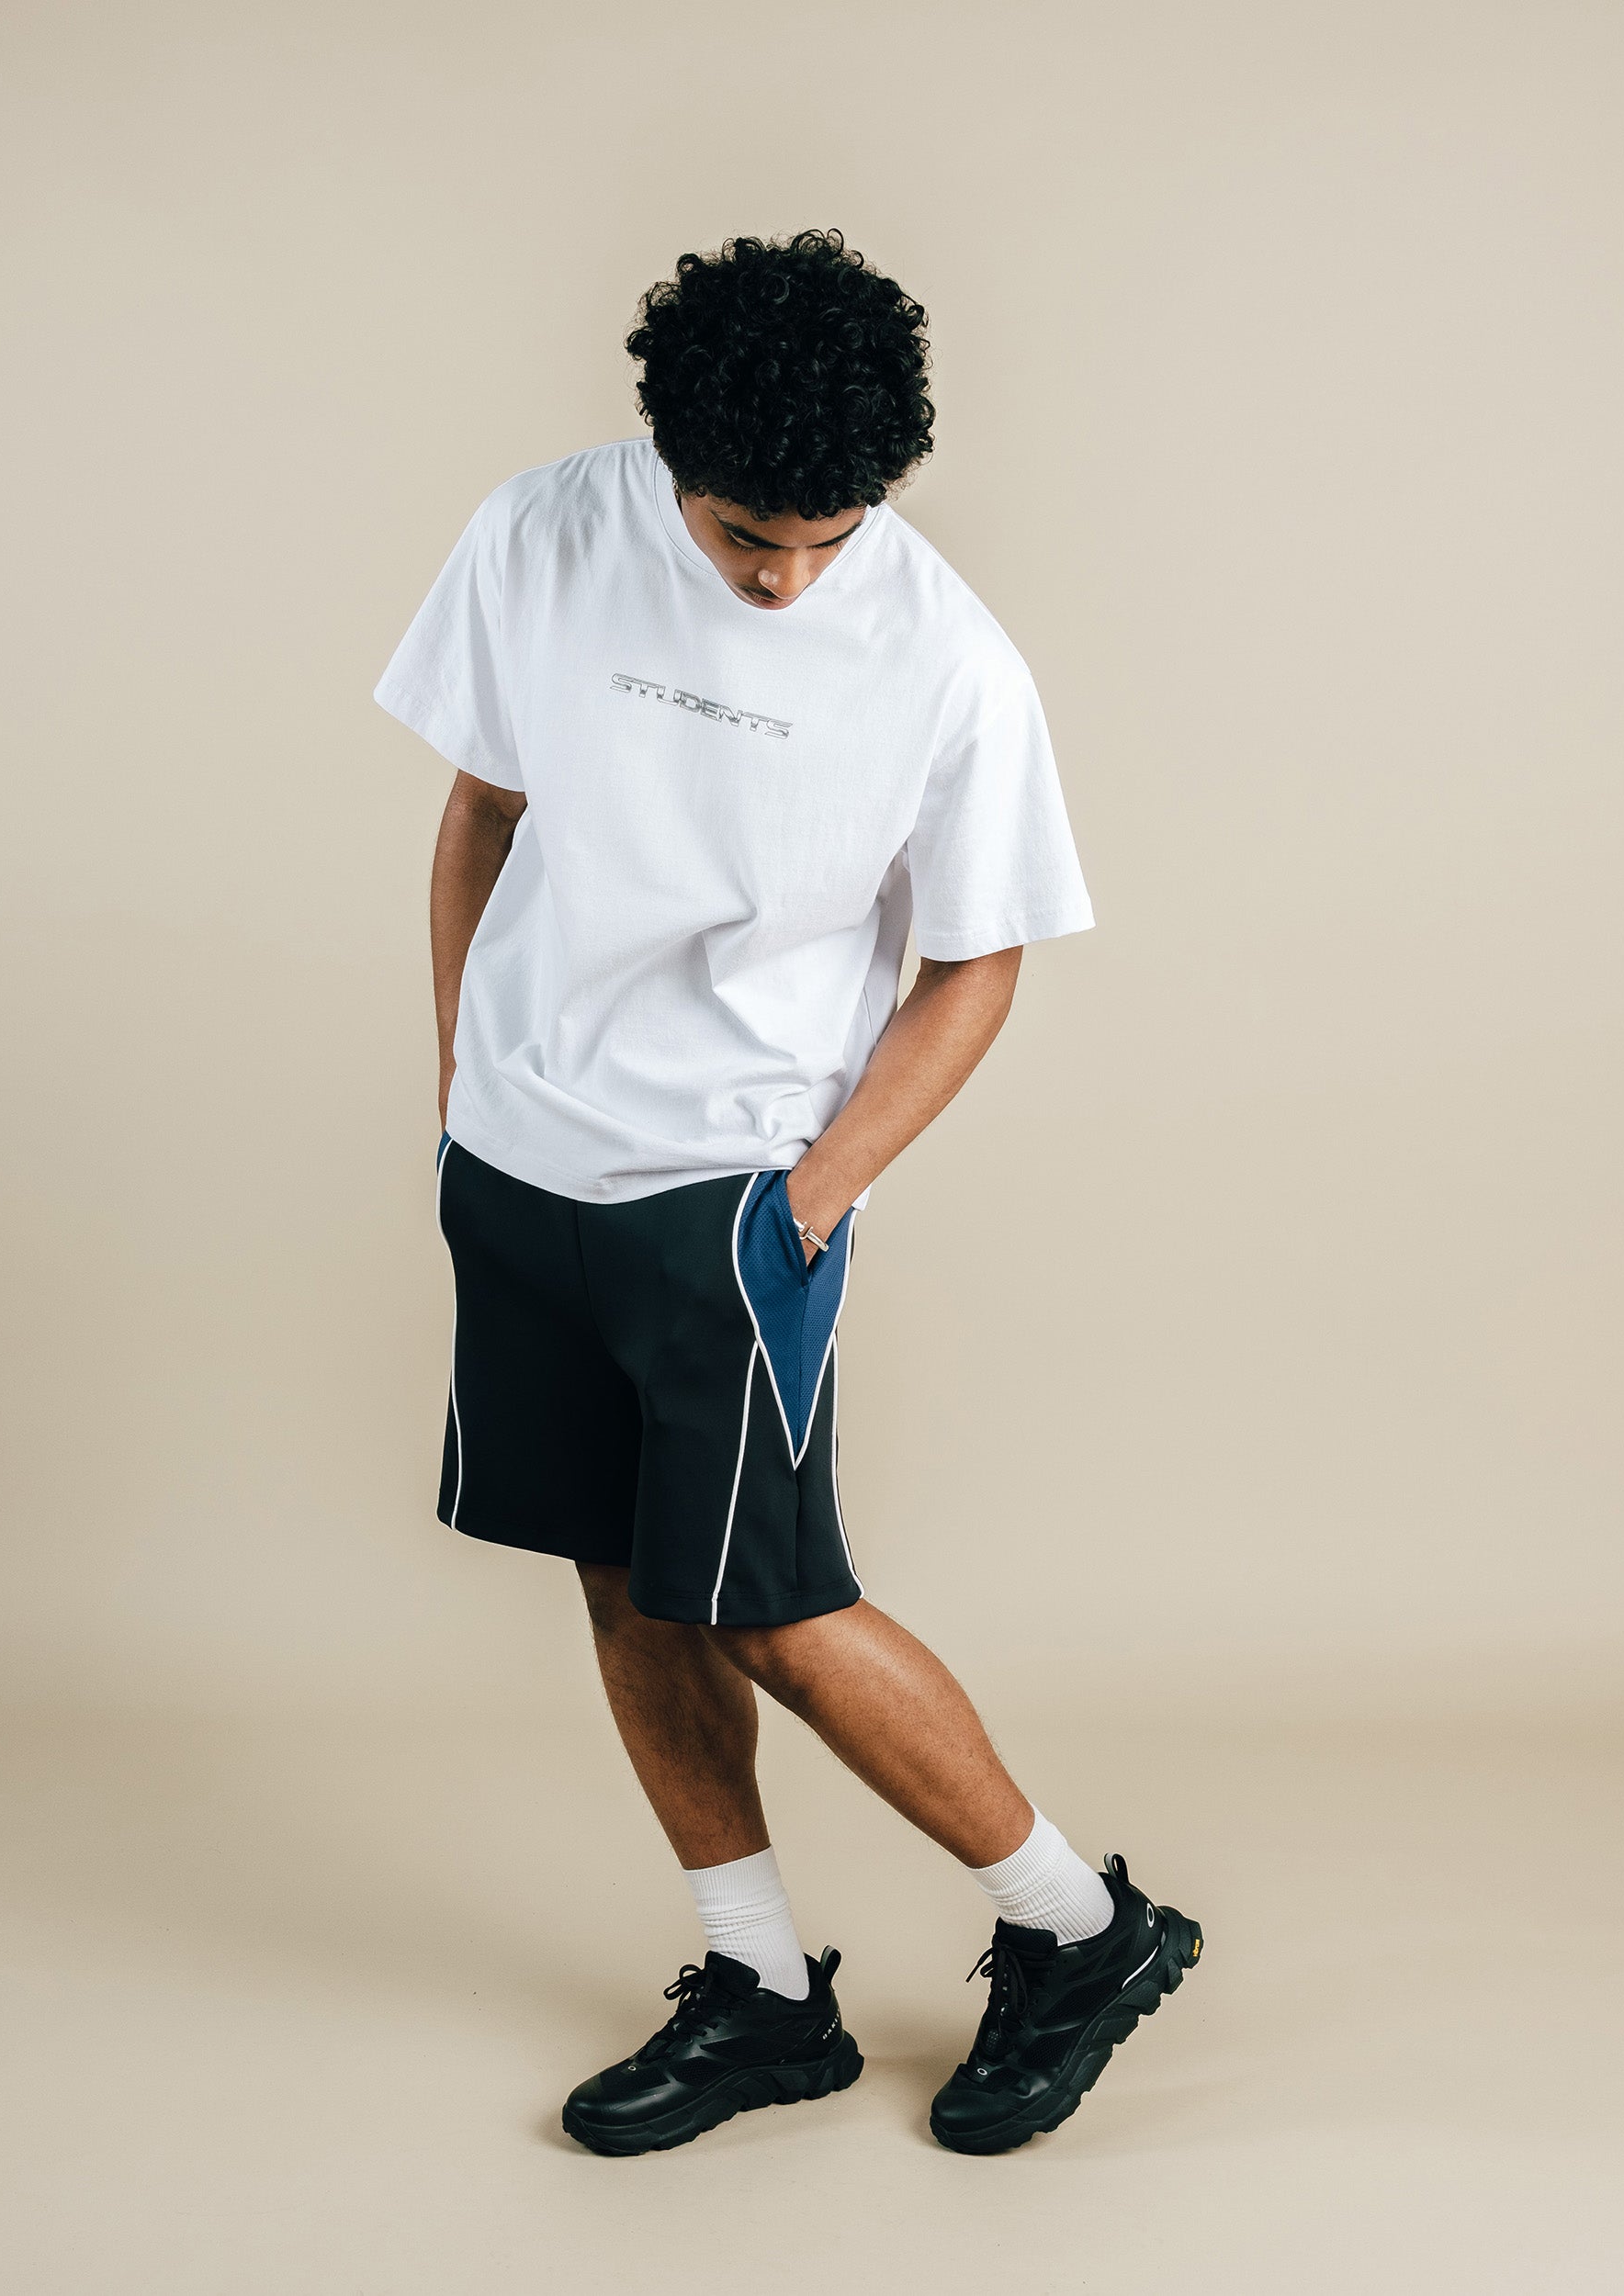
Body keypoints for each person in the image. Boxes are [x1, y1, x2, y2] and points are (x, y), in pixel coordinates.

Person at [373, 227, 1201, 2157]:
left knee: (772, 1608)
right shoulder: (540, 532)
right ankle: (759, 1990)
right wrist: (460, 1077)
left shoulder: (949, 661)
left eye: (833, 537)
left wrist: (811, 1197)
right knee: (621, 1577)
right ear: (672, 460)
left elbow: (977, 961)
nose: (788, 577)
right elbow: (481, 807)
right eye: (751, 536)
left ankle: (1083, 1928)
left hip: (730, 1189)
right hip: (520, 1160)